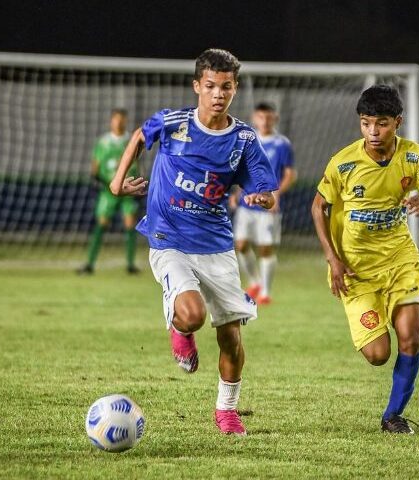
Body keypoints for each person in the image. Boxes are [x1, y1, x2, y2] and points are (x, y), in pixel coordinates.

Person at [109, 49, 278, 435]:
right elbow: (139, 136)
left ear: (234, 90)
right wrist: (117, 183)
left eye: (227, 87)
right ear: (197, 87)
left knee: (231, 336)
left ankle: (227, 411)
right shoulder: (173, 123)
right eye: (211, 86)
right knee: (192, 314)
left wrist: (261, 197)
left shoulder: (244, 140)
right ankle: (181, 330)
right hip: (168, 236)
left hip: (216, 245)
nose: (218, 94)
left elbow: (265, 190)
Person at [311, 85, 419, 434]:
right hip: (356, 271)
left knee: (410, 336)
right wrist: (333, 260)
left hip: (400, 261)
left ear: (397, 122)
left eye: (382, 123)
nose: (373, 132)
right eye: (366, 123)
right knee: (378, 354)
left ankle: (393, 417)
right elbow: (318, 207)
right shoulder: (344, 163)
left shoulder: (415, 157)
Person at [231, 102, 296, 304]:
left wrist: (275, 195)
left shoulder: (282, 144)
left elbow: (290, 174)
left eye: (268, 117)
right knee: (240, 244)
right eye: (261, 117)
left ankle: (266, 292)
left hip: (268, 206)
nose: (265, 121)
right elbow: (242, 171)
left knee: (266, 248)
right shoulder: (247, 140)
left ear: (275, 118)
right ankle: (255, 282)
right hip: (246, 203)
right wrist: (235, 193)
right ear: (254, 118)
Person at [77, 109, 141, 275]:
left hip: (128, 191)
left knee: (129, 223)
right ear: (111, 121)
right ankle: (90, 264)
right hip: (108, 190)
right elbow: (95, 168)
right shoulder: (103, 142)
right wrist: (107, 183)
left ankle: (130, 265)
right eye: (116, 119)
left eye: (122, 119)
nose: (119, 122)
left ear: (125, 121)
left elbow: (136, 165)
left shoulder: (131, 140)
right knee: (102, 223)